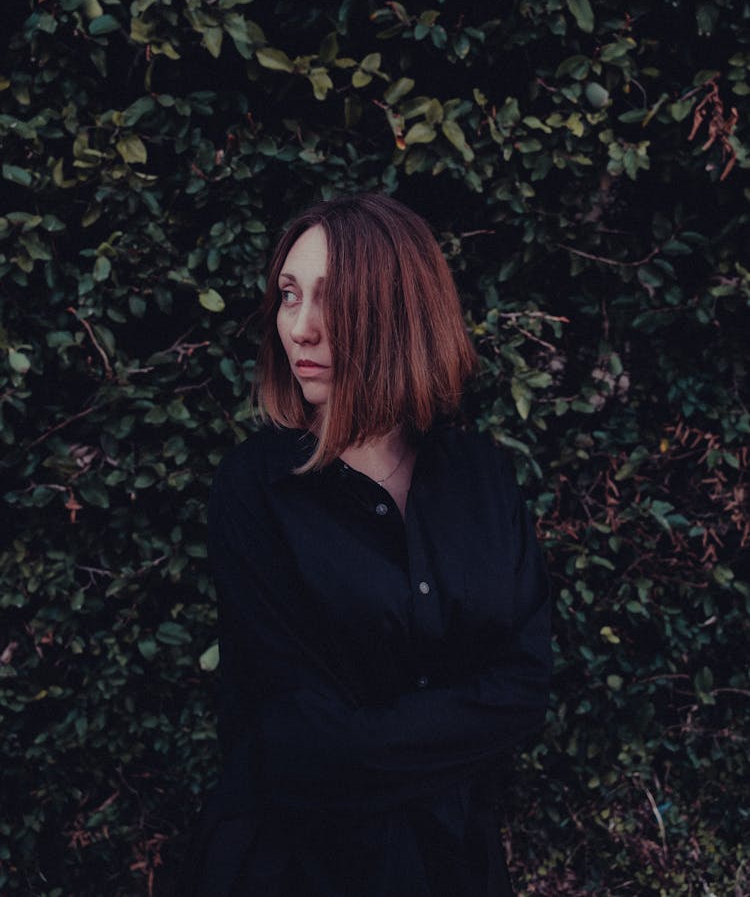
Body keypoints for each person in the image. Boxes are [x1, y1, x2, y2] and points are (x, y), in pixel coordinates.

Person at [184, 191, 552, 897]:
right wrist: (459, 725)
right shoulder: (256, 489)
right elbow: (297, 736)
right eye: (289, 296)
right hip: (296, 865)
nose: (300, 326)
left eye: (331, 298)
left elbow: (524, 687)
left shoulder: (480, 474)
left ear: (399, 311)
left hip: (457, 860)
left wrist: (381, 738)